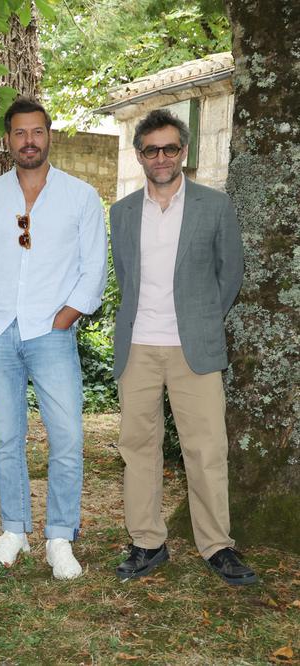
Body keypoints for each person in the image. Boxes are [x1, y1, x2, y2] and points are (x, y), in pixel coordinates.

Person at [110, 109, 256, 585]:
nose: (161, 157)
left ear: (183, 152)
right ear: (139, 156)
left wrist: (202, 319)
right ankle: (148, 543)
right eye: (151, 149)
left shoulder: (214, 206)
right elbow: (127, 277)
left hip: (194, 347)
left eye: (170, 148)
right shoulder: (123, 212)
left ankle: (217, 546)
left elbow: (229, 273)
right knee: (138, 448)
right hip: (138, 348)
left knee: (207, 448)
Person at [0, 97, 107, 580]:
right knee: (7, 438)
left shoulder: (80, 195)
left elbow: (94, 269)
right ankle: (14, 531)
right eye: (20, 133)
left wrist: (63, 319)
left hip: (51, 333)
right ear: (9, 140)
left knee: (66, 437)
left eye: (37, 132)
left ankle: (60, 537)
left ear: (49, 136)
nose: (29, 140)